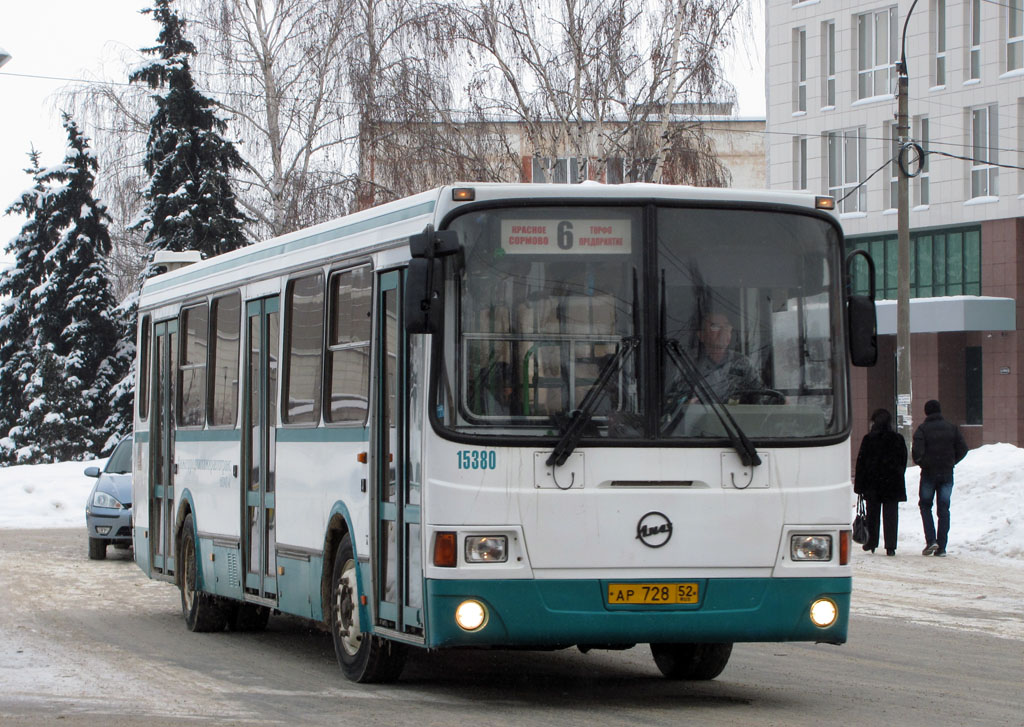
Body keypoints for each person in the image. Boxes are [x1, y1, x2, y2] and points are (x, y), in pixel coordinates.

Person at [911, 399, 968, 557]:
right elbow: (963, 448)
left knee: (925, 505)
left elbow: (916, 453)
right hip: (946, 473)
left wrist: (924, 462)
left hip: (929, 473)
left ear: (926, 412)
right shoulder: (952, 428)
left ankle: (931, 540)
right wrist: (951, 461)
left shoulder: (922, 430)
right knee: (944, 509)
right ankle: (942, 546)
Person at [853, 408, 907, 555]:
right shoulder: (898, 439)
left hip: (873, 484)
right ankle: (891, 546)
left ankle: (872, 542)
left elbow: (861, 463)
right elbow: (903, 460)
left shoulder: (869, 439)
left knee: (872, 514)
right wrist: (898, 473)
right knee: (891, 515)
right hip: (892, 483)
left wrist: (859, 486)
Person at [689, 310, 762, 403]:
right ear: (701, 335)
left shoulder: (743, 363)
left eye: (727, 326)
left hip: (732, 417)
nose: (723, 331)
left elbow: (760, 397)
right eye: (715, 327)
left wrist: (782, 400)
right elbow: (674, 399)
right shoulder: (687, 362)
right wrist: (686, 403)